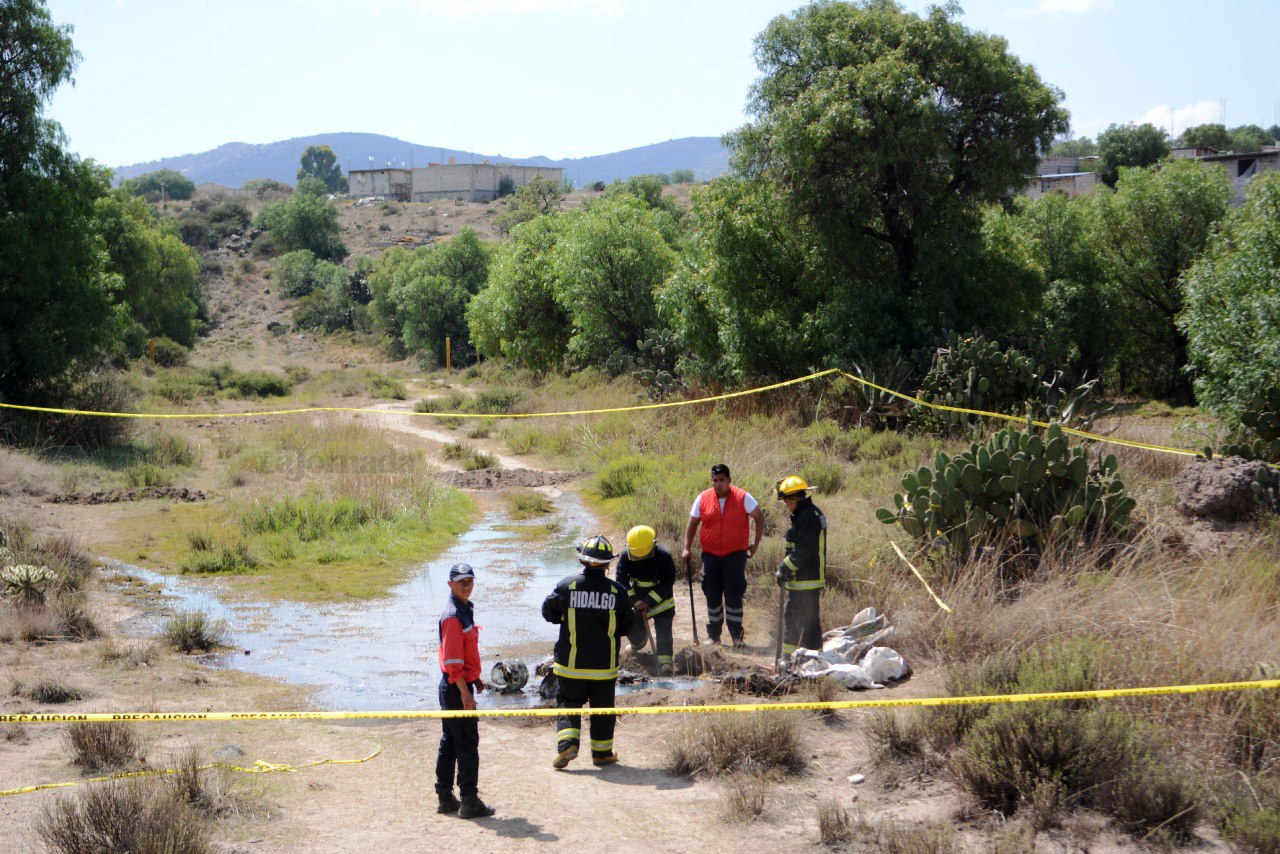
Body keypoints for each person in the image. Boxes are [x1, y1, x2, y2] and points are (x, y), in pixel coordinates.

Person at [542, 535, 636, 769]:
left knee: (568, 702)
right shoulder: (618, 592)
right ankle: (602, 754)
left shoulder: (567, 586)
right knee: (603, 708)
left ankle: (568, 746)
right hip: (604, 669)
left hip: (571, 665)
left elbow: (548, 612)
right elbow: (628, 625)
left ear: (583, 561)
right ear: (607, 564)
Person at [435, 563, 496, 819]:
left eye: (470, 581)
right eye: (461, 581)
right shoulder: (452, 616)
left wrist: (476, 679)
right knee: (468, 744)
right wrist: (465, 692)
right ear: (450, 584)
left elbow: (464, 654)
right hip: (454, 689)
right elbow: (451, 662)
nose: (466, 585)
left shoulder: (465, 609)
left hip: (457, 685)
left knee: (451, 742)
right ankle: (469, 800)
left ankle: (446, 797)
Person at [681, 463, 764, 647]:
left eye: (721, 480)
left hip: (735, 555)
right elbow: (692, 523)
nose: (718, 484)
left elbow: (759, 517)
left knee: (734, 594)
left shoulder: (743, 497)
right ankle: (714, 636)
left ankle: (736, 637)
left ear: (729, 481)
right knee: (712, 594)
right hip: (710, 555)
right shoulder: (703, 498)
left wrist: (755, 544)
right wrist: (686, 547)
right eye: (715, 480)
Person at [774, 476, 827, 656]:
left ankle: (788, 660)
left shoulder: (806, 517)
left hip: (806, 580)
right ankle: (812, 660)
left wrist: (784, 568)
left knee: (794, 619)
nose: (786, 505)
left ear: (791, 499)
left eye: (786, 501)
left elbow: (804, 550)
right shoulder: (810, 513)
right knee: (809, 622)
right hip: (807, 579)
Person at [616, 525, 677, 675]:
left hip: (662, 603)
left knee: (664, 633)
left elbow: (667, 585)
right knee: (634, 629)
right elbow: (621, 582)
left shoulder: (664, 556)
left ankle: (665, 664)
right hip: (637, 604)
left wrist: (648, 602)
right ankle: (636, 645)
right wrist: (635, 601)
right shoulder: (625, 556)